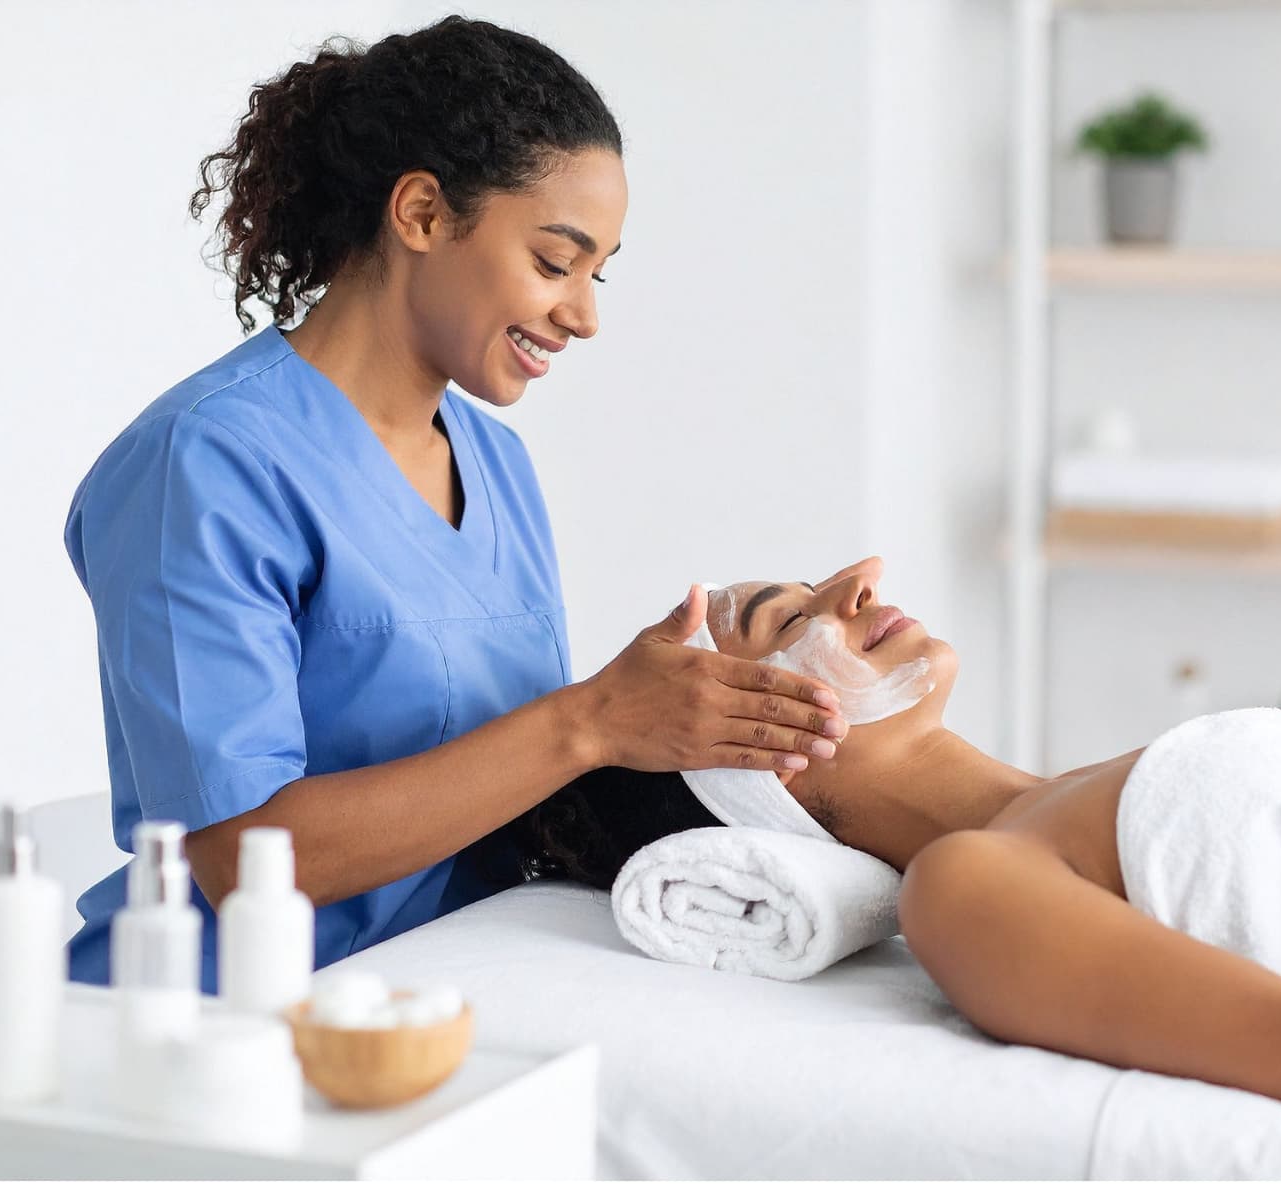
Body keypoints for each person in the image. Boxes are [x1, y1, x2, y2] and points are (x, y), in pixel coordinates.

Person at [63, 15, 847, 993]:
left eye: (597, 274)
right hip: (216, 1029)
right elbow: (236, 858)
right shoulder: (209, 461)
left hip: (439, 1002)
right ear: (424, 214)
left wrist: (678, 726)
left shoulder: (497, 466)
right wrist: (591, 720)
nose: (585, 315)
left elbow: (504, 783)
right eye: (556, 263)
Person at [514, 555, 1281, 1117]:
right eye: (786, 615)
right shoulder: (976, 886)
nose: (858, 577)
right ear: (747, 764)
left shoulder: (1080, 788)